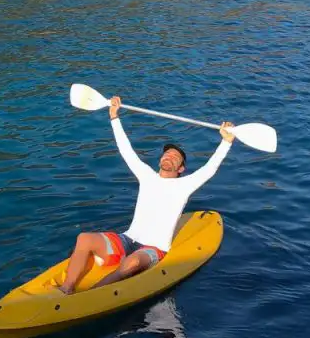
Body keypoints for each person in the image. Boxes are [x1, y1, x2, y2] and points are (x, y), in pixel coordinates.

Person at [58, 95, 235, 294]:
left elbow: (209, 169)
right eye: (166, 154)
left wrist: (226, 142)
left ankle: (91, 295)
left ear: (181, 169)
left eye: (175, 157)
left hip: (154, 248)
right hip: (126, 240)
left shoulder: (185, 185)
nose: (169, 156)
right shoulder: (146, 176)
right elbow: (126, 150)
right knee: (84, 238)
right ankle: (66, 289)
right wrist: (114, 117)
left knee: (132, 263)